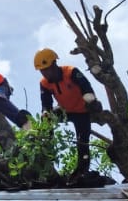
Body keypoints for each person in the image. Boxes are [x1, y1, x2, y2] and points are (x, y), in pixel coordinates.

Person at [33, 48, 103, 178]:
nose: (45, 73)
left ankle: (82, 172)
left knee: (83, 142)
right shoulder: (44, 83)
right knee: (46, 119)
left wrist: (92, 102)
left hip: (82, 111)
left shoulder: (71, 72)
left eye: (46, 69)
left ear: (54, 64)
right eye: (42, 70)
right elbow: (46, 104)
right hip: (65, 111)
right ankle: (47, 155)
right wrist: (45, 113)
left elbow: (86, 88)